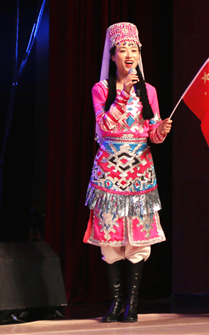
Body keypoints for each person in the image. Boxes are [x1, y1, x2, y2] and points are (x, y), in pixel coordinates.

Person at [83, 22, 173, 323]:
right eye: (123, 50)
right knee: (110, 240)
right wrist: (123, 95)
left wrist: (161, 130)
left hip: (140, 172)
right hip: (109, 172)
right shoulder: (101, 89)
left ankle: (131, 306)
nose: (129, 55)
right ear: (112, 56)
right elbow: (105, 126)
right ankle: (115, 304)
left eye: (133, 49)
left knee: (138, 240)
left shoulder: (149, 91)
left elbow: (152, 133)